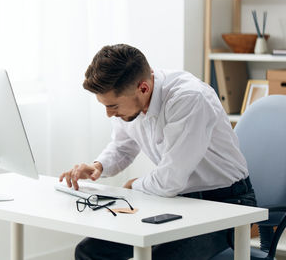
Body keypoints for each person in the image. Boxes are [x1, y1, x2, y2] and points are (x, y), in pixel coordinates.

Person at [58, 44, 257, 260]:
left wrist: (133, 186)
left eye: (113, 106)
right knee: (90, 252)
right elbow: (123, 146)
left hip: (225, 204)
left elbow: (171, 179)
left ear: (143, 88)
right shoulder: (130, 105)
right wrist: (98, 166)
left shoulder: (189, 98)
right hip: (174, 200)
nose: (108, 114)